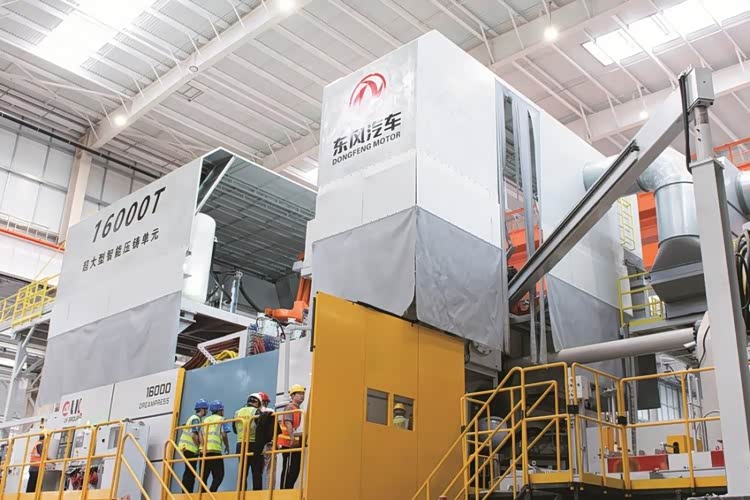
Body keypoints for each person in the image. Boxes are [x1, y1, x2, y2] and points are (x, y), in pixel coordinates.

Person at [278, 384, 305, 489]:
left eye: (303, 394)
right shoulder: (290, 407)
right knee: (288, 468)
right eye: (299, 394)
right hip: (288, 443)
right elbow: (288, 423)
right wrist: (292, 439)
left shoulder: (298, 409)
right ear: (293, 396)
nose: (302, 396)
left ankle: (289, 487)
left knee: (295, 468)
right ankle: (284, 489)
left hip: (295, 443)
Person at [178, 399, 208, 493]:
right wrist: (199, 446)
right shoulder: (196, 419)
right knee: (190, 472)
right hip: (190, 449)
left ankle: (186, 492)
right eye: (206, 409)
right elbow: (193, 434)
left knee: (189, 471)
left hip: (186, 448)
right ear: (202, 409)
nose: (207, 411)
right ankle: (187, 492)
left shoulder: (194, 418)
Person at [233, 393, 262, 490]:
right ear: (257, 403)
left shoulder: (237, 412)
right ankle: (257, 493)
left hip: (240, 444)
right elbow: (261, 427)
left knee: (242, 471)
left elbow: (235, 429)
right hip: (253, 444)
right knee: (256, 471)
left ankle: (241, 492)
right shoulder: (256, 411)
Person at [201, 400, 230, 492]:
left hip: (203, 451)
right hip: (214, 451)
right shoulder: (222, 419)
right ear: (220, 410)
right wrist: (227, 446)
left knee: (203, 476)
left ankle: (203, 494)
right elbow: (224, 434)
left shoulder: (204, 420)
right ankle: (212, 492)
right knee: (219, 475)